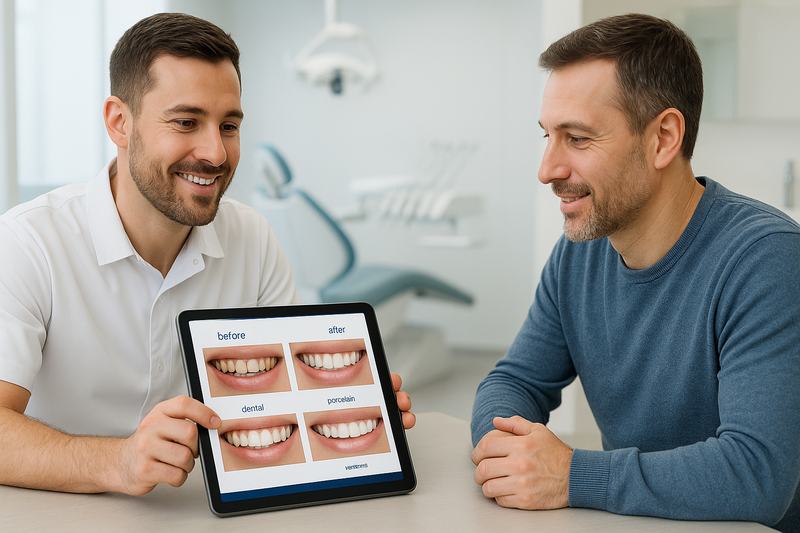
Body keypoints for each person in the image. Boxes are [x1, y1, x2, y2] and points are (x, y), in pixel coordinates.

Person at [0, 12, 414, 496]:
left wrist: (348, 407)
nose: (215, 153)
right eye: (186, 122)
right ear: (119, 122)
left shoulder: (253, 239)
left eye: (229, 125)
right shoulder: (28, 243)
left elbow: (284, 403)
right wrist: (119, 462)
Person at [470, 13, 800, 532]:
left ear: (664, 138)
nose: (547, 170)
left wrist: (572, 476)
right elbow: (515, 380)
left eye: (576, 139)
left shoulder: (766, 259)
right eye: (547, 137)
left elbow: (757, 476)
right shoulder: (579, 253)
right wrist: (508, 454)